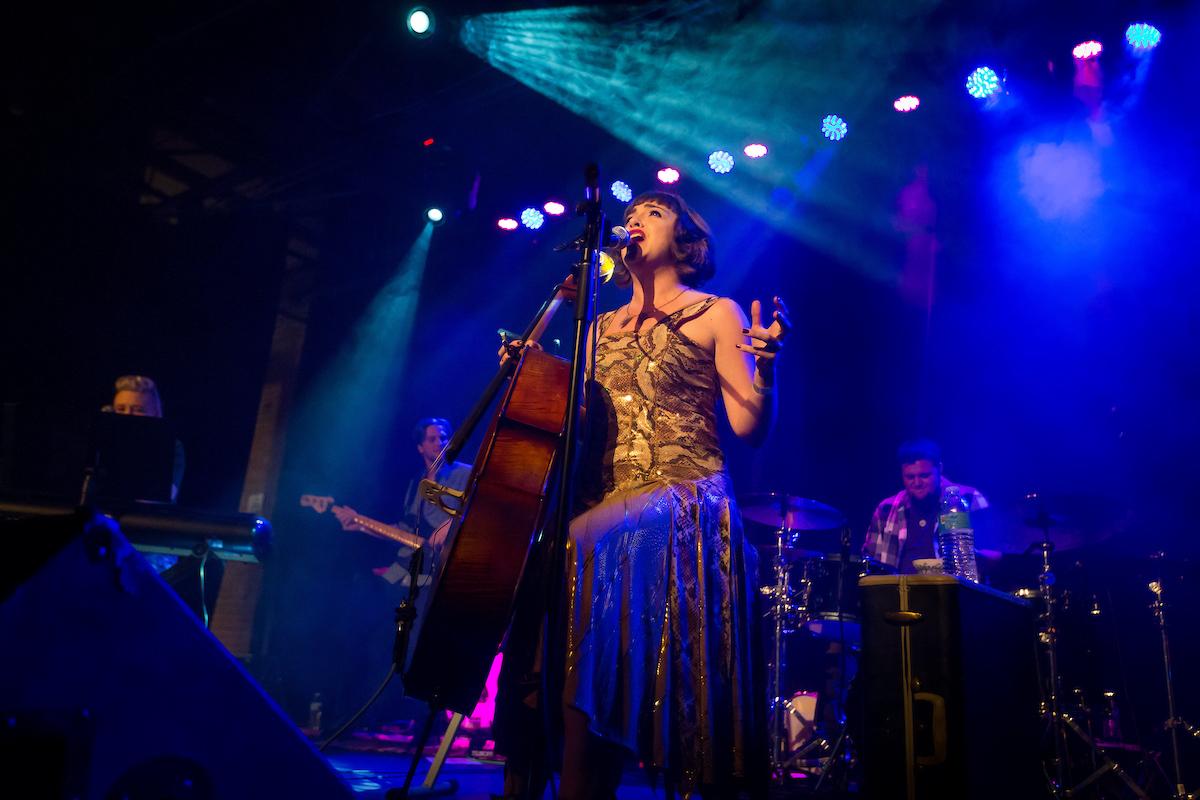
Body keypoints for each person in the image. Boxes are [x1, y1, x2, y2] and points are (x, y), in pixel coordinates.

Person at [500, 191, 789, 799]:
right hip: (605, 509)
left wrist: (766, 371)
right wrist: (531, 376)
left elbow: (749, 428)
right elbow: (571, 424)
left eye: (654, 214)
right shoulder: (597, 328)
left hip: (687, 495)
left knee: (579, 540)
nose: (634, 220)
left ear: (687, 243)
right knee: (546, 556)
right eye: (632, 214)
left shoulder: (716, 311)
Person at [106, 374, 219, 623]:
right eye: (120, 410)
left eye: (137, 410)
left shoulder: (170, 448)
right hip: (106, 547)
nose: (127, 417)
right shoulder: (102, 446)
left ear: (156, 415)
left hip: (149, 554)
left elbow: (158, 498)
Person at [331, 416, 471, 587]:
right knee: (364, 588)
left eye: (443, 438)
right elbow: (404, 530)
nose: (439, 443)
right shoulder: (415, 484)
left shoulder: (466, 474)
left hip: (447, 563)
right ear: (420, 447)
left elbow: (481, 509)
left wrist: (452, 524)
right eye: (432, 439)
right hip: (413, 564)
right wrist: (361, 524)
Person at [861, 438, 988, 573]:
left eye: (924, 475)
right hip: (900, 592)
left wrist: (968, 557)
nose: (917, 483)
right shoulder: (886, 509)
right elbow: (870, 562)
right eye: (910, 477)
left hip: (954, 590)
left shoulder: (969, 499)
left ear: (939, 469)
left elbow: (995, 554)